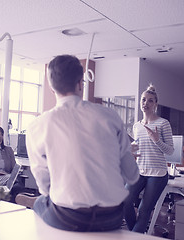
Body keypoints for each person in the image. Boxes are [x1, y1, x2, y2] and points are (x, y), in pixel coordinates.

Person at [24, 54, 139, 232]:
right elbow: (132, 176)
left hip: (68, 217)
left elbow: (43, 184)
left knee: (41, 201)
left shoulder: (37, 126)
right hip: (112, 216)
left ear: (51, 86)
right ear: (80, 83)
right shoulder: (110, 116)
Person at [124, 84, 174, 233]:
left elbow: (170, 151)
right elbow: (138, 148)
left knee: (143, 210)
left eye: (150, 101)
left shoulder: (163, 123)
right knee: (124, 201)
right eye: (143, 100)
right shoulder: (136, 126)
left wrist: (157, 140)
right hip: (139, 171)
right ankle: (138, 234)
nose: (146, 103)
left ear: (155, 104)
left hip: (157, 174)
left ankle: (135, 235)